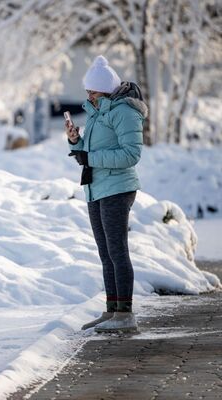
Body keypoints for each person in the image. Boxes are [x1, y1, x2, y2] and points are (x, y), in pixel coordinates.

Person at [65, 55, 148, 333]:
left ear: (107, 90)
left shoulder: (124, 111)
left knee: (117, 251)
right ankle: (112, 310)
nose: (89, 96)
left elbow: (130, 154)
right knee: (106, 254)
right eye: (87, 91)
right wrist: (76, 141)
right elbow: (90, 154)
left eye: (93, 91)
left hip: (117, 188)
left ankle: (125, 314)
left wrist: (90, 156)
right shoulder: (99, 113)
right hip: (97, 188)